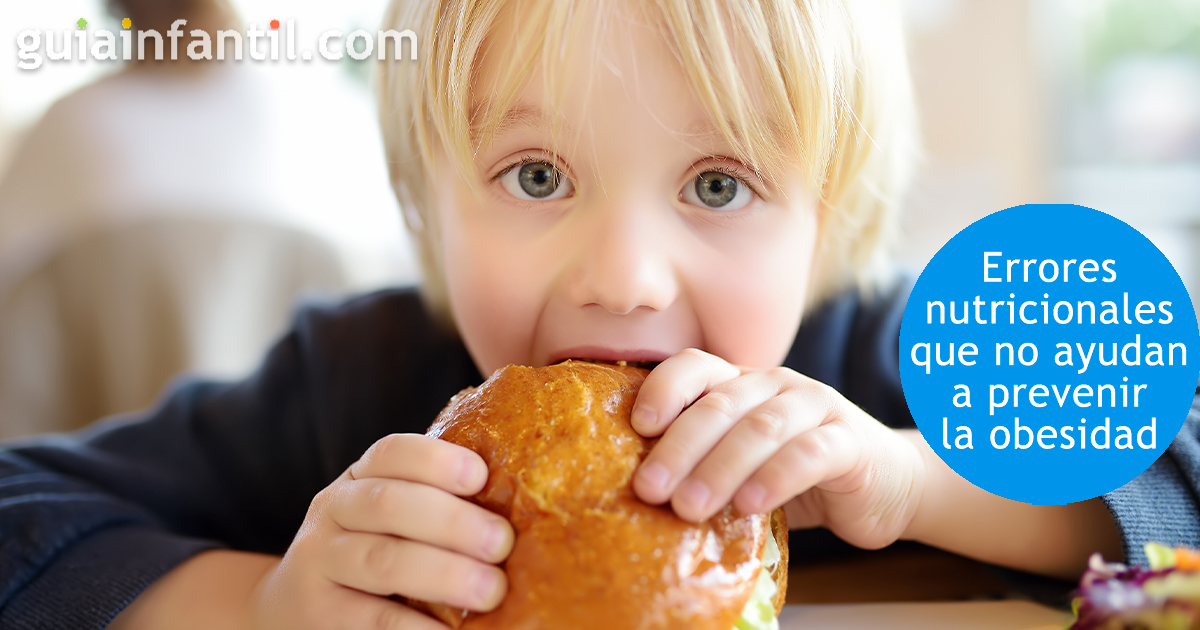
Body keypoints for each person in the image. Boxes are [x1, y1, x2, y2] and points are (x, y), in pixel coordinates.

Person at [1, 0, 1190, 628]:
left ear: (826, 225)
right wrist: (257, 609)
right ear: (430, 204)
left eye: (717, 186)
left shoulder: (879, 367)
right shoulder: (353, 382)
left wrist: (916, 482)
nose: (623, 277)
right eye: (535, 177)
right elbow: (22, 510)